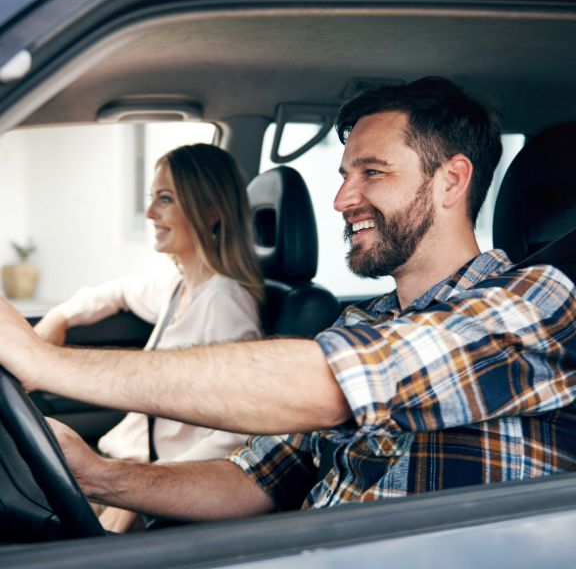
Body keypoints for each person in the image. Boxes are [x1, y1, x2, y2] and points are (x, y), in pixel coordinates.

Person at [0, 77, 575, 524]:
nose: (343, 198)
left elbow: (335, 382)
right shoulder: (367, 322)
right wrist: (98, 475)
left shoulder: (537, 304)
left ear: (452, 181)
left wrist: (48, 361)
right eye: (345, 173)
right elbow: (254, 481)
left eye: (371, 172)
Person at [33, 143, 263, 530]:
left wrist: (145, 487)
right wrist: (60, 316)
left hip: (153, 492)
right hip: (122, 473)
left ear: (210, 213)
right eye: (152, 198)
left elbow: (237, 432)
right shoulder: (179, 285)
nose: (150, 213)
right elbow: (119, 291)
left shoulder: (224, 301)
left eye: (166, 199)